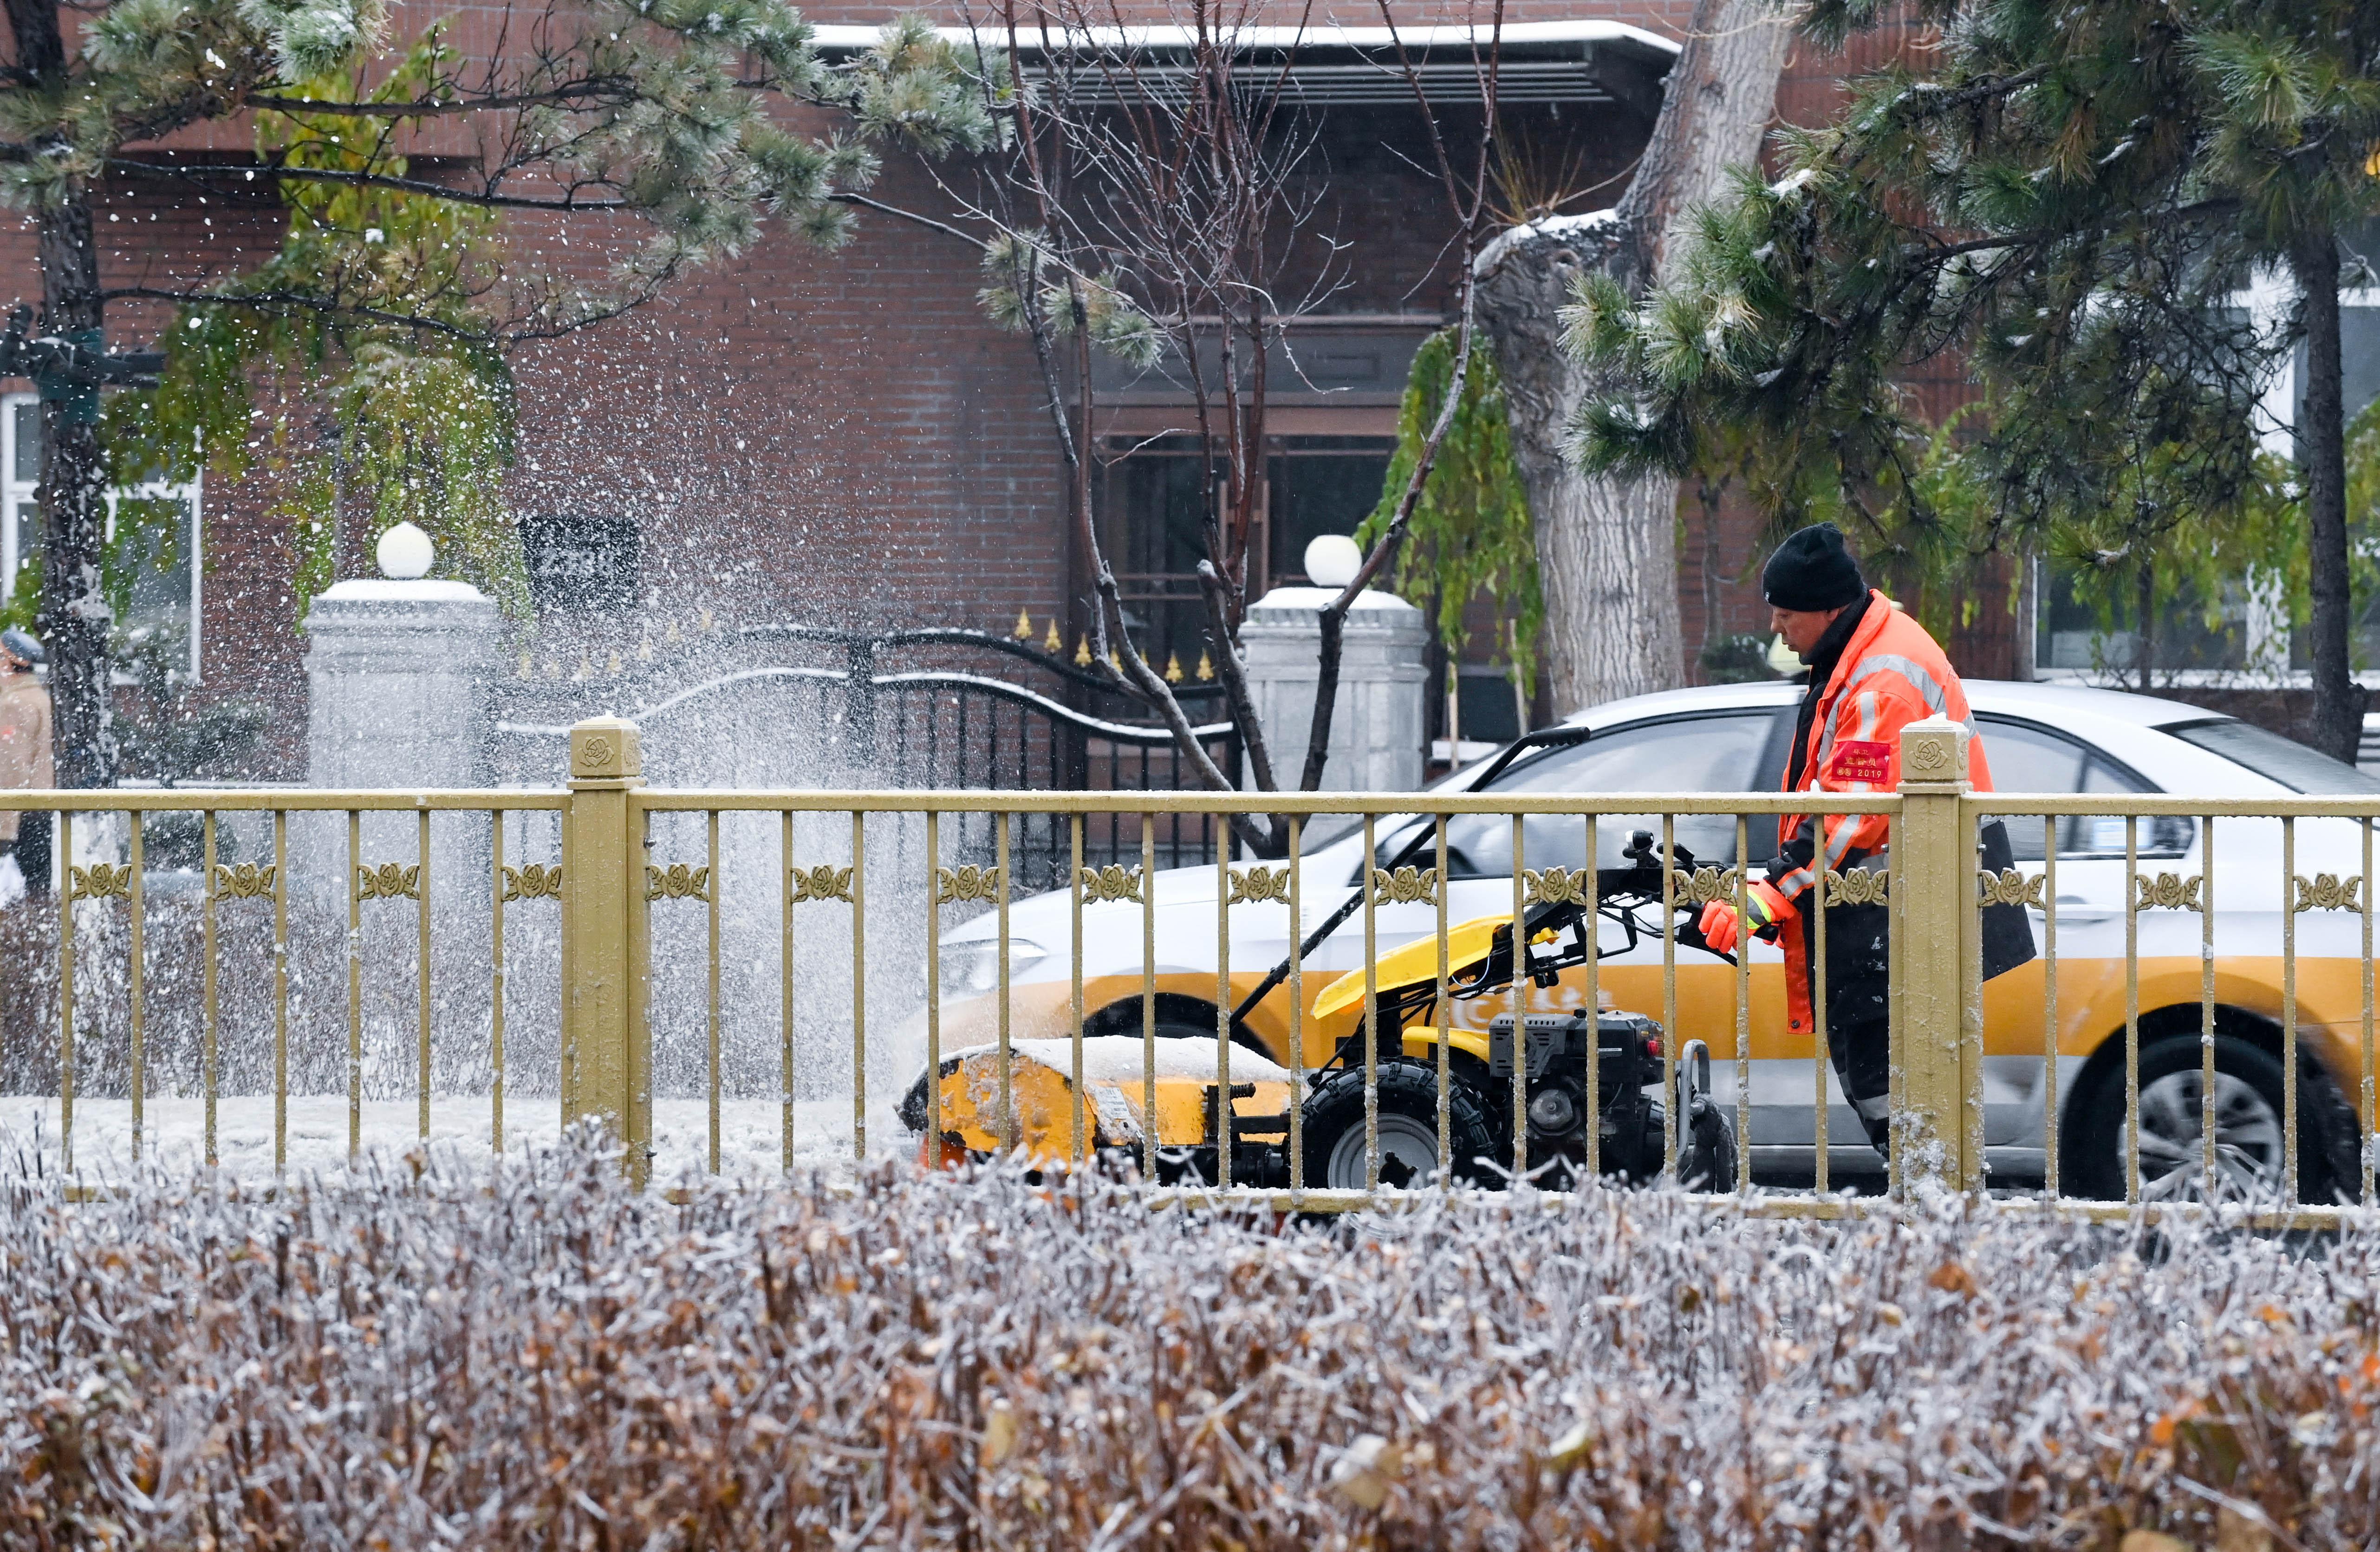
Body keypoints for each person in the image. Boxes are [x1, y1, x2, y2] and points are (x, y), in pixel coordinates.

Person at [1695, 524, 2029, 1157]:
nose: (1775, 627)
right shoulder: (1862, 651)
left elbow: (1853, 809)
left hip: (1901, 909)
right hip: (1896, 900)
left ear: (1826, 608)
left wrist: (1778, 888)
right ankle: (1931, 1195)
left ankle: (1933, 1199)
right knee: (1897, 1093)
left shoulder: (1881, 680)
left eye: (1785, 613)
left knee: (1891, 1096)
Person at [0, 626, 53, 904]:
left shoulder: (14, 704)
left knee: (16, 900)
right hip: (36, 809)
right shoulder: (38, 697)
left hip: (17, 815)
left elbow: (11, 766)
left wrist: (5, 827)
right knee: (36, 897)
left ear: (14, 662)